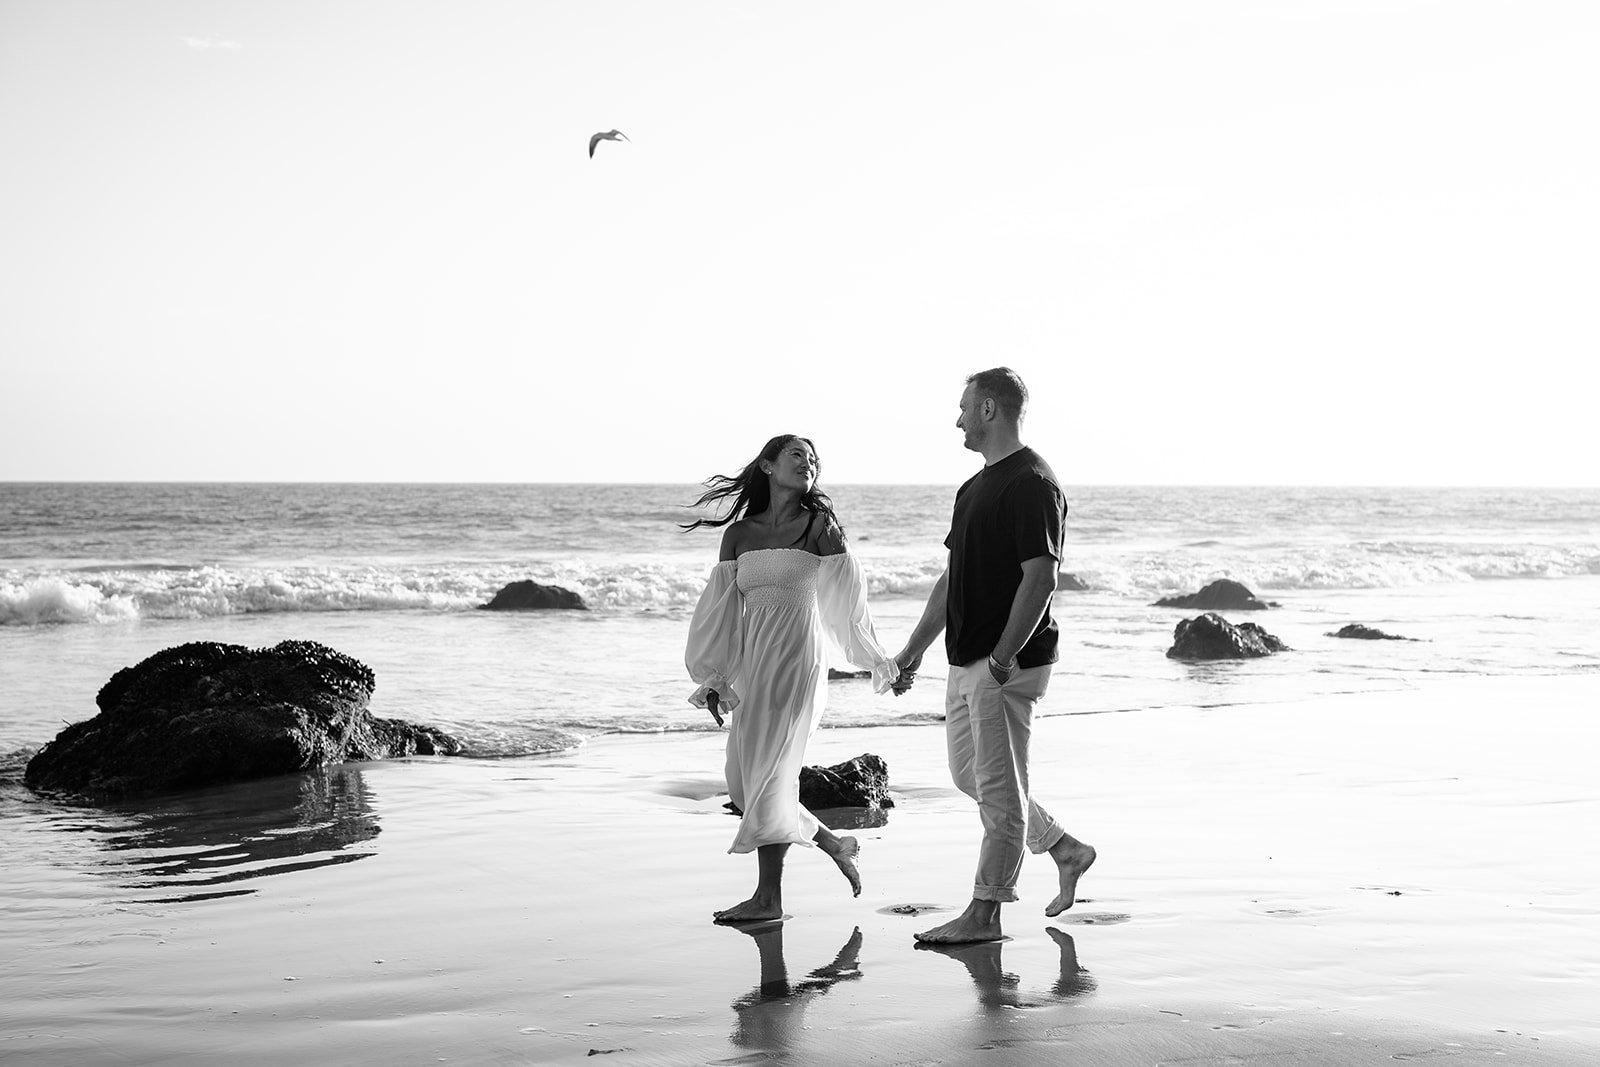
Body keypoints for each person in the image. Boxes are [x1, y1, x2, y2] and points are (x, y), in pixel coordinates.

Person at [892, 368, 1096, 944]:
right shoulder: (973, 487)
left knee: (999, 791)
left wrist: (1004, 657)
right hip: (967, 658)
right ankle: (1063, 847)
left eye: (963, 407)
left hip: (1005, 662)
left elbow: (1041, 577)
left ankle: (985, 914)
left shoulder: (1032, 481)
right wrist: (914, 651)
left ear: (988, 409)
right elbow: (954, 577)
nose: (956, 419)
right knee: (971, 776)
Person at [684, 434, 901, 924]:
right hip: (754, 662)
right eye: (797, 455)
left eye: (813, 459)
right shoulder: (739, 535)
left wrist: (878, 661)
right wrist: (715, 679)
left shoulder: (818, 526)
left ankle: (769, 899)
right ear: (767, 466)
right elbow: (720, 614)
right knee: (745, 783)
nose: (809, 463)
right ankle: (834, 845)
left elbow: (849, 606)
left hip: (799, 659)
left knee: (769, 773)